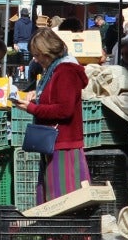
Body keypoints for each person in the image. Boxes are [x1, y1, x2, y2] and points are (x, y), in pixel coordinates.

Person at [15, 28, 91, 200]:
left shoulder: (66, 71)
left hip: (64, 144)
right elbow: (55, 98)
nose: (35, 59)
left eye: (37, 54)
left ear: (47, 51)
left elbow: (64, 110)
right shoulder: (54, 70)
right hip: (54, 143)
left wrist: (32, 108)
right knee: (52, 195)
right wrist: (36, 96)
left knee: (64, 197)